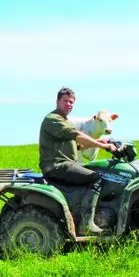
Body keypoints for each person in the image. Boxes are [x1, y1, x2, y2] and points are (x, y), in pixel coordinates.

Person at [39, 87, 117, 235]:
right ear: (57, 101)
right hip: (57, 166)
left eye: (71, 102)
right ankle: (87, 225)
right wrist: (103, 145)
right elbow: (76, 135)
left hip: (64, 164)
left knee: (97, 171)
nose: (69, 104)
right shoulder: (53, 119)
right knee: (96, 179)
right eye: (65, 101)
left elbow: (78, 145)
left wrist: (102, 140)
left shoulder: (65, 120)